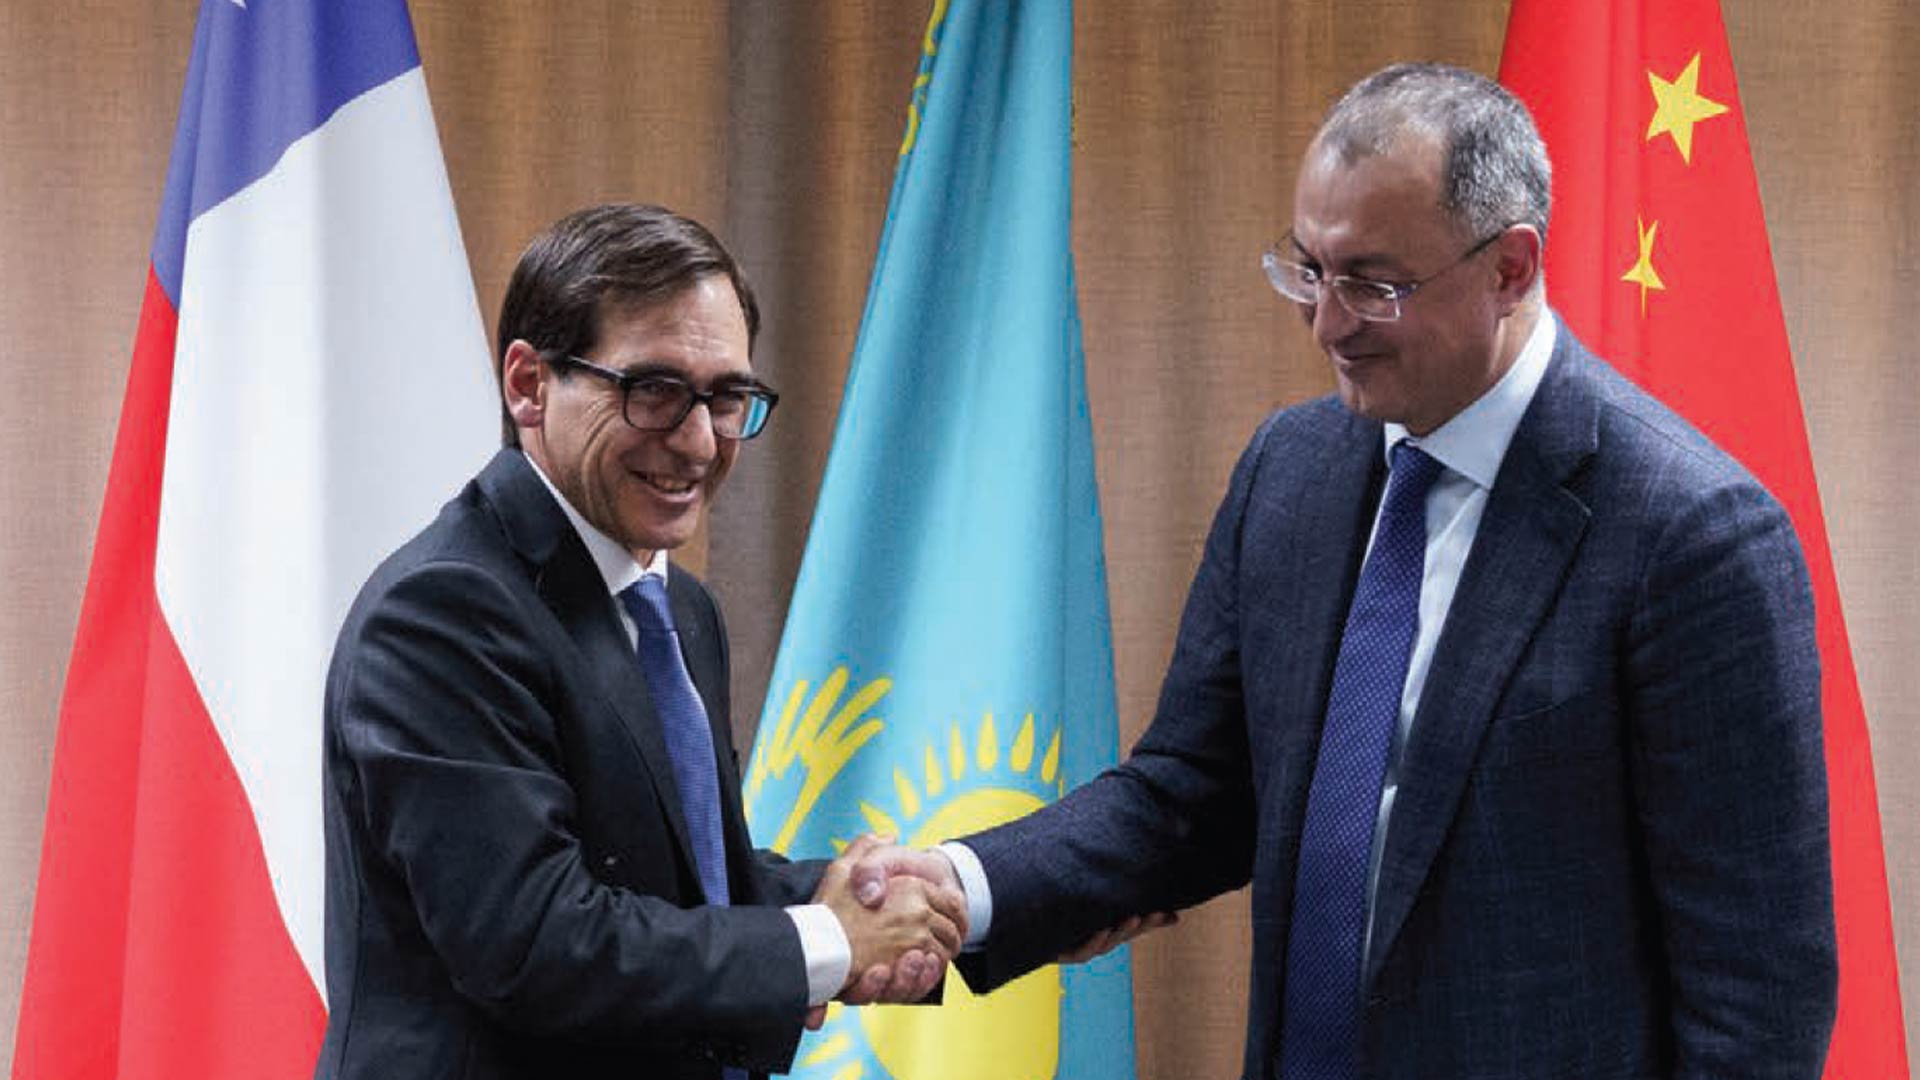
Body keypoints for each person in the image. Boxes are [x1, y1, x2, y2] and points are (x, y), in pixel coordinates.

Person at [854, 63, 1838, 1079]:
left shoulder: (1693, 536)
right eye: (1309, 270)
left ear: (1510, 268)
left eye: (1374, 283)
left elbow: (1756, 995)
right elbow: (1189, 794)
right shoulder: (1292, 470)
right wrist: (960, 886)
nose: (1327, 324)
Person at [314, 203, 961, 1080]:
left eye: (727, 397)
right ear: (528, 385)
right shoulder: (440, 612)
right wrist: (827, 938)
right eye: (654, 391)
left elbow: (684, 886)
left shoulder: (679, 609)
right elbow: (540, 942)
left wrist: (872, 899)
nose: (697, 441)